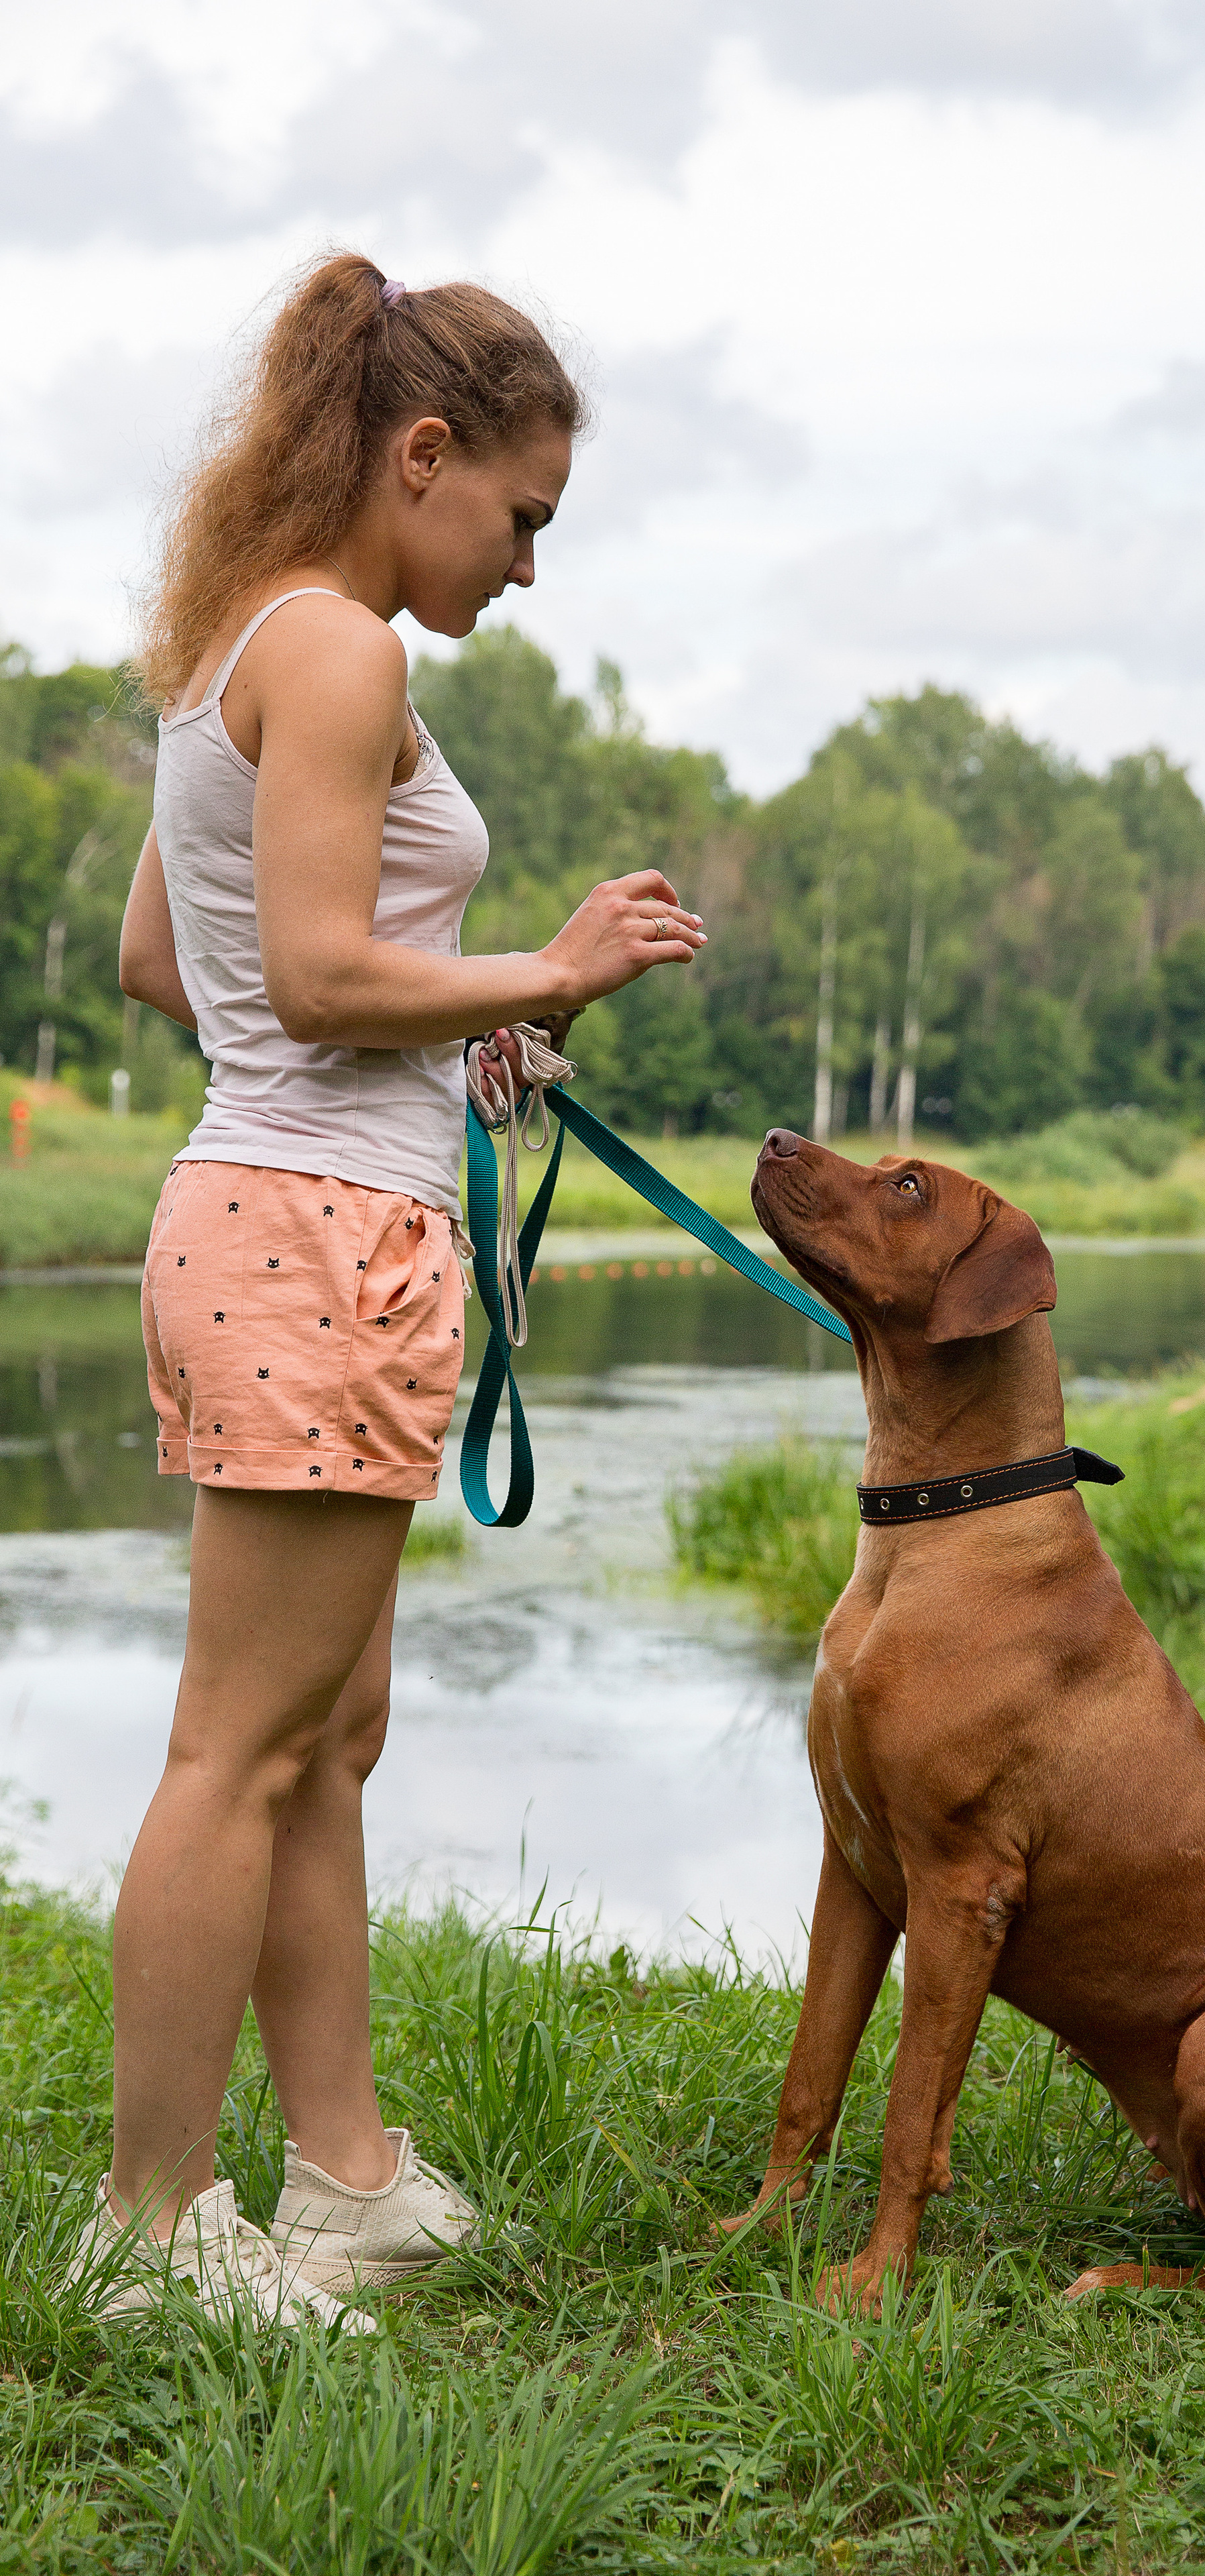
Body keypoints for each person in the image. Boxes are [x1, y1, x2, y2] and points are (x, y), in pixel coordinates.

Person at [71, 253, 707, 2328]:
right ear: (420, 454)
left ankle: (339, 2177)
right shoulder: (339, 654)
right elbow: (323, 973)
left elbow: (186, 965)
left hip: (279, 1210)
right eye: (520, 514)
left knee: (322, 1738)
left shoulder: (235, 644)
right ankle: (149, 2245)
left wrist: (452, 1037)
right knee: (239, 1753)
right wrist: (548, 967)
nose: (527, 565)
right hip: (311, 1236)